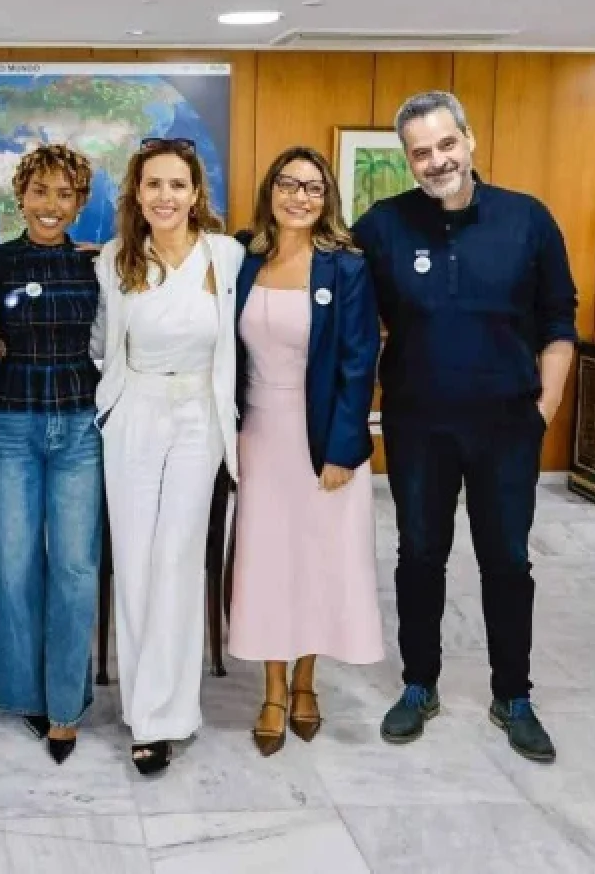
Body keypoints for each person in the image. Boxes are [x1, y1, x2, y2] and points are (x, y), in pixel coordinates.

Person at [352, 91, 578, 763]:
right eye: (420, 151)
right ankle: (420, 685)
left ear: (469, 140)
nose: (436, 160)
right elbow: (350, 315)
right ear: (408, 159)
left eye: (446, 144)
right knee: (419, 557)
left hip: (509, 425)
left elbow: (559, 325)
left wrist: (542, 416)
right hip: (418, 425)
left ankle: (513, 694)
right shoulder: (384, 225)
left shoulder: (527, 219)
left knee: (506, 560)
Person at [92, 136, 243, 775]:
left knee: (177, 558)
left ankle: (168, 716)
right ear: (137, 193)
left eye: (176, 184)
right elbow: (104, 340)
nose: (164, 196)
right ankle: (141, 711)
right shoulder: (114, 259)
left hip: (199, 417)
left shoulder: (227, 256)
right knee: (134, 559)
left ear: (195, 192)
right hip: (133, 413)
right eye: (152, 184)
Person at [228, 147, 383, 756]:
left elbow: (357, 361)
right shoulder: (244, 257)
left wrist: (346, 447)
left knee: (321, 561)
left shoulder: (345, 267)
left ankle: (307, 681)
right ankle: (270, 688)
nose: (299, 196)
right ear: (270, 190)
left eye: (313, 188)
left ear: (328, 200)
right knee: (266, 564)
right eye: (288, 184)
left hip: (324, 440)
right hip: (259, 436)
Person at [0, 145, 102, 765]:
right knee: (13, 562)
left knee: (76, 568)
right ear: (20, 197)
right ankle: (22, 690)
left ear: (81, 203)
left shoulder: (97, 267)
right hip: (12, 428)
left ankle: (65, 703)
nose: (52, 206)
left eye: (66, 194)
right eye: (41, 192)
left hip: (80, 427)